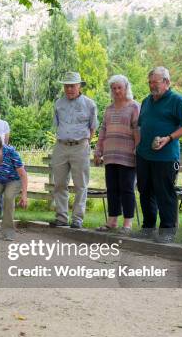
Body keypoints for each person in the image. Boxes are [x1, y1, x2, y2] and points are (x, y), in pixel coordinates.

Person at [134, 66, 182, 243]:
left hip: (166, 157)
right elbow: (140, 126)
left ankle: (167, 230)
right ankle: (148, 227)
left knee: (164, 193)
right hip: (144, 155)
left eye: (156, 82)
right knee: (145, 191)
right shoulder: (146, 101)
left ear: (167, 82)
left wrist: (169, 138)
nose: (152, 86)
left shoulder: (177, 100)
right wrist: (138, 145)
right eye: (150, 82)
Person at [50, 71, 98, 229]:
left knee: (80, 184)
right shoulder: (58, 103)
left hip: (80, 146)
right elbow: (57, 125)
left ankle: (77, 218)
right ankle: (61, 217)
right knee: (59, 184)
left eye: (72, 86)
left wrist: (84, 143)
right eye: (66, 86)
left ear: (79, 86)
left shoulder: (90, 104)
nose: (69, 89)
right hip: (61, 146)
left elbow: (92, 128)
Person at [94, 75, 140, 234]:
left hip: (127, 154)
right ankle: (112, 221)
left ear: (126, 88)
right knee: (112, 188)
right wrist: (98, 150)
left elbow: (137, 130)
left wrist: (137, 149)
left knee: (127, 188)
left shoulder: (134, 107)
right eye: (113, 88)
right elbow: (103, 131)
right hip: (110, 155)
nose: (116, 91)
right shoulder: (108, 109)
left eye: (119, 87)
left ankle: (127, 223)